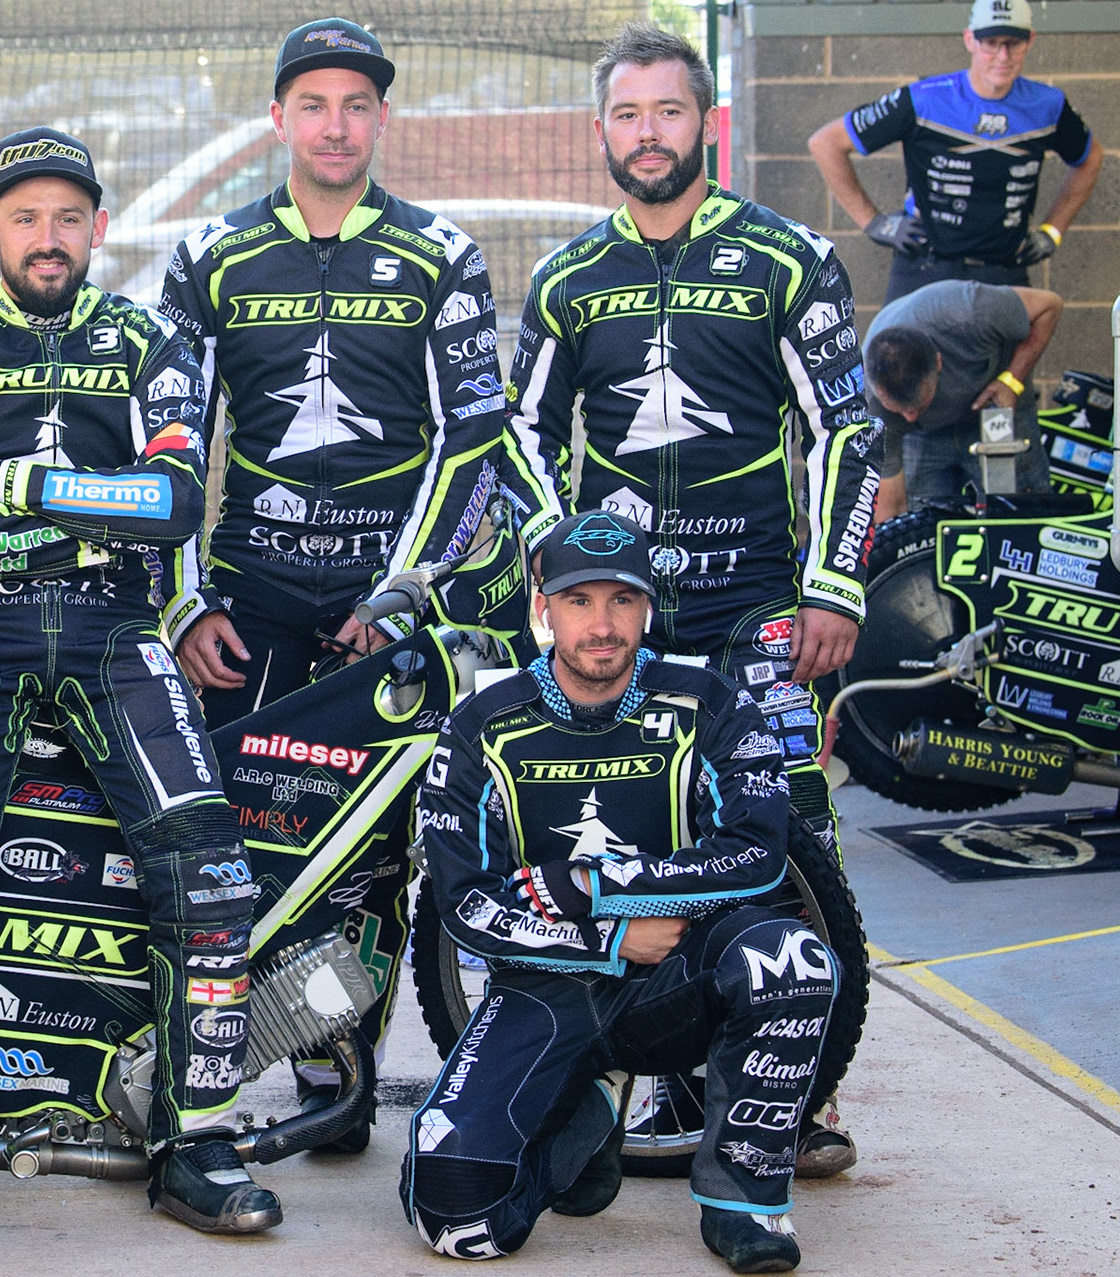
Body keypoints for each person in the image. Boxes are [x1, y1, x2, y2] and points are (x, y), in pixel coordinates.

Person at [0, 127, 279, 1262]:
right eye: (26, 217)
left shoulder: (148, 340)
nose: (50, 238)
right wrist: (101, 503)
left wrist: (25, 483)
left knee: (209, 872)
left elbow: (177, 505)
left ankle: (198, 1140)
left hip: (113, 631)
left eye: (70, 217)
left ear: (97, 226)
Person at [496, 22, 874, 1176]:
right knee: (642, 843)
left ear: (702, 124)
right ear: (601, 131)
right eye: (627, 114)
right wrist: (549, 569)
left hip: (760, 607)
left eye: (667, 112)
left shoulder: (786, 258)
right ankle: (662, 1080)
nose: (646, 134)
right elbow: (516, 434)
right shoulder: (570, 279)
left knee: (791, 842)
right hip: (625, 621)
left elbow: (849, 427)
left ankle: (794, 1093)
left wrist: (833, 583)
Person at [400, 510, 837, 1274]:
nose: (602, 625)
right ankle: (589, 1108)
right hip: (545, 985)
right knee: (456, 1219)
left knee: (791, 958)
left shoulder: (711, 701)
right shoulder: (478, 727)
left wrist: (589, 886)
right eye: (579, 601)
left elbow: (760, 854)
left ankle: (745, 1203)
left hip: (678, 975)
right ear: (544, 607)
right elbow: (465, 906)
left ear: (647, 606)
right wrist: (604, 934)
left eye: (622, 600)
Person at [159, 17, 510, 727]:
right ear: (277, 121)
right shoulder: (207, 256)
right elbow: (170, 441)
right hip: (250, 591)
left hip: (396, 583)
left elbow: (472, 431)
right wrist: (184, 602)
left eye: (355, 106)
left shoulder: (443, 255)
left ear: (382, 118)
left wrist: (404, 590)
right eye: (313, 106)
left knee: (429, 813)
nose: (336, 127)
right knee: (242, 816)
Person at [807, 0, 1103, 303]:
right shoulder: (924, 99)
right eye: (991, 42)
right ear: (969, 40)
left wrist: (1052, 230)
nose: (1003, 56)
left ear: (1030, 41)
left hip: (1003, 271)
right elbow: (826, 143)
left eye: (1013, 43)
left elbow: (1090, 158)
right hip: (925, 267)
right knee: (897, 352)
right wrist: (873, 222)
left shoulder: (1048, 104)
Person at [864, 281, 1062, 520]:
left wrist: (1012, 380)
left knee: (1022, 515)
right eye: (900, 411)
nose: (909, 417)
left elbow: (1049, 305)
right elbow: (890, 507)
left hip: (996, 409)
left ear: (938, 362)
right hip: (924, 437)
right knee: (920, 524)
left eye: (917, 406)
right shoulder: (871, 404)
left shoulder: (969, 313)